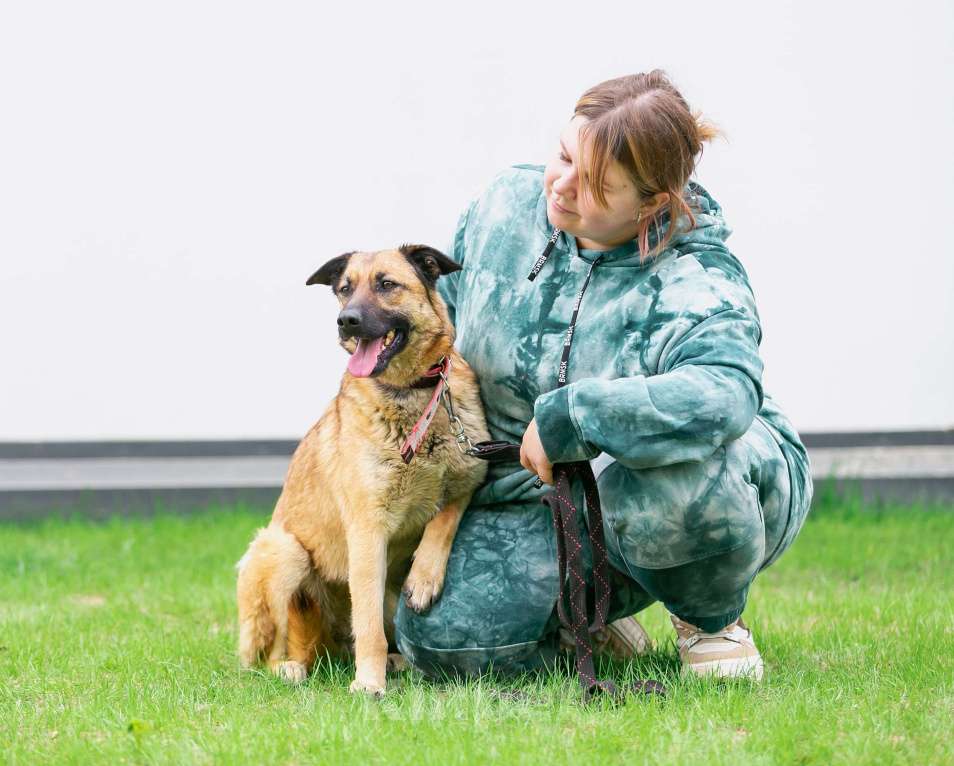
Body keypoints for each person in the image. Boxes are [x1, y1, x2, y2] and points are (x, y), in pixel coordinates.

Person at [393, 70, 813, 681]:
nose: (561, 187)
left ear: (651, 204)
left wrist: (577, 416)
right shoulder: (502, 208)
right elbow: (443, 328)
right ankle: (591, 608)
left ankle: (708, 617)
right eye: (562, 155)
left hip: (693, 481)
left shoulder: (697, 274)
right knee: (443, 643)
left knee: (670, 495)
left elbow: (726, 393)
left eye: (592, 184)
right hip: (526, 494)